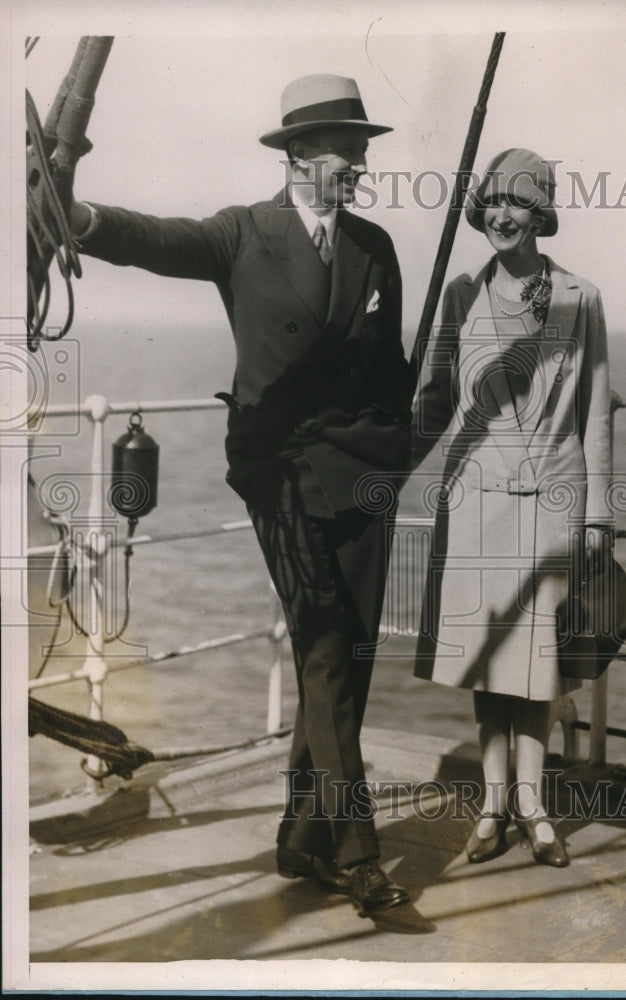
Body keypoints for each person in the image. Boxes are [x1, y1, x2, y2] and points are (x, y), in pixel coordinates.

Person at [64, 74, 414, 916]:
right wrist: (76, 220)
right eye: (349, 152)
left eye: (364, 152)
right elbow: (156, 238)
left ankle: (302, 841)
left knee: (349, 654)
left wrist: (409, 444)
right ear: (300, 155)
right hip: (282, 472)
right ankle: (360, 856)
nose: (363, 166)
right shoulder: (243, 234)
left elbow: (390, 369)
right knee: (325, 642)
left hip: (365, 470)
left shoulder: (376, 248)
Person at [410, 148, 613, 868]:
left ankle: (535, 805)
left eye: (518, 204)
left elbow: (594, 416)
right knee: (486, 661)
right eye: (493, 202)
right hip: (473, 502)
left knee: (537, 665)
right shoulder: (461, 296)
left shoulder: (580, 298)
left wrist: (595, 516)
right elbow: (434, 402)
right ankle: (494, 804)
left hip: (552, 503)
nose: (502, 215)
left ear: (540, 215)